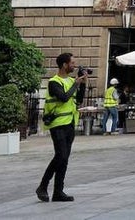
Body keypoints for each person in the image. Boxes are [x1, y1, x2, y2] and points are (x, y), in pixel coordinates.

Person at [36, 52, 88, 202]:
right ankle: (43, 186)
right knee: (61, 155)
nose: (74, 66)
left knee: (64, 159)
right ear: (64, 65)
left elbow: (77, 100)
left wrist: (82, 84)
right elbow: (63, 97)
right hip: (57, 124)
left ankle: (58, 191)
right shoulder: (54, 82)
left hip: (70, 123)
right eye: (72, 63)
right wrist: (76, 84)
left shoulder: (71, 80)